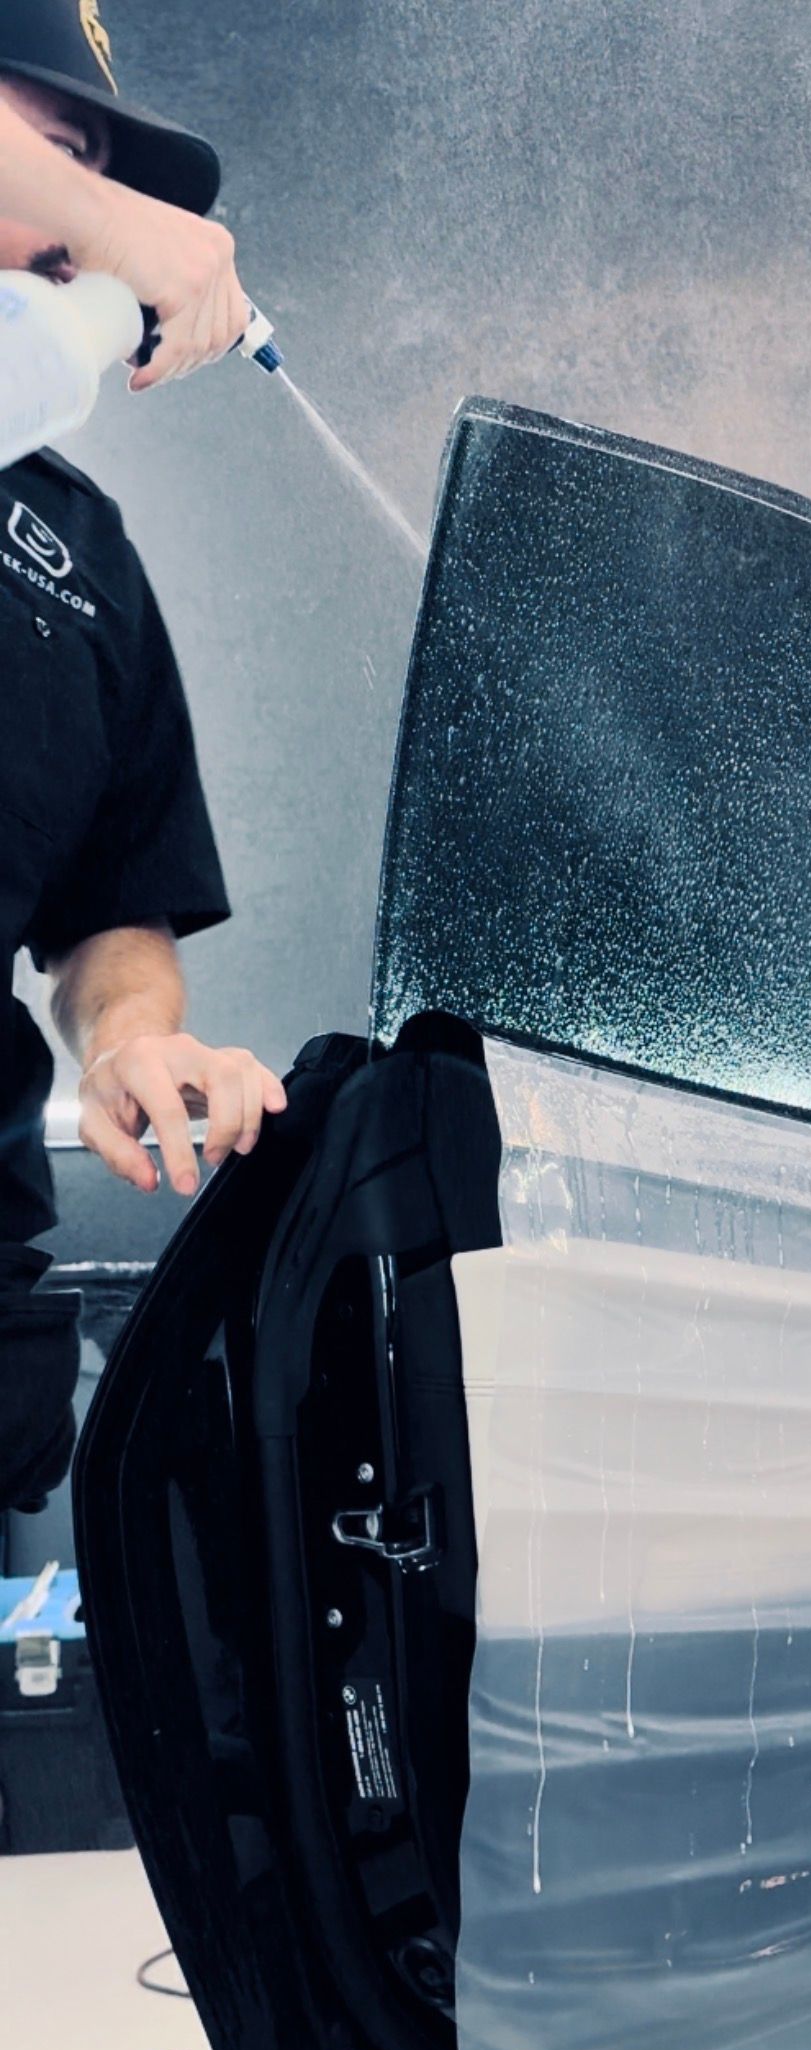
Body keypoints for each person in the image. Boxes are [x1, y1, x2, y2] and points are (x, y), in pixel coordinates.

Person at [0, 0, 287, 1515]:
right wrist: (131, 223)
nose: (74, 224)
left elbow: (115, 903)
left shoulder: (80, 555)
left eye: (95, 167)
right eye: (43, 148)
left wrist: (128, 1042)